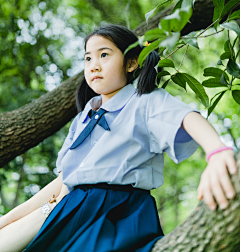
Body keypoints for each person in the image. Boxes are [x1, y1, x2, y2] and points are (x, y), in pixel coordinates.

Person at [0, 24, 237, 252]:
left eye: (104, 55)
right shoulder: (82, 118)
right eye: (88, 58)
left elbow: (186, 118)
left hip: (116, 210)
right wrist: (8, 218)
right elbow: (63, 182)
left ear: (131, 63)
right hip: (68, 206)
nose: (94, 65)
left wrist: (216, 152)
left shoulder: (143, 101)